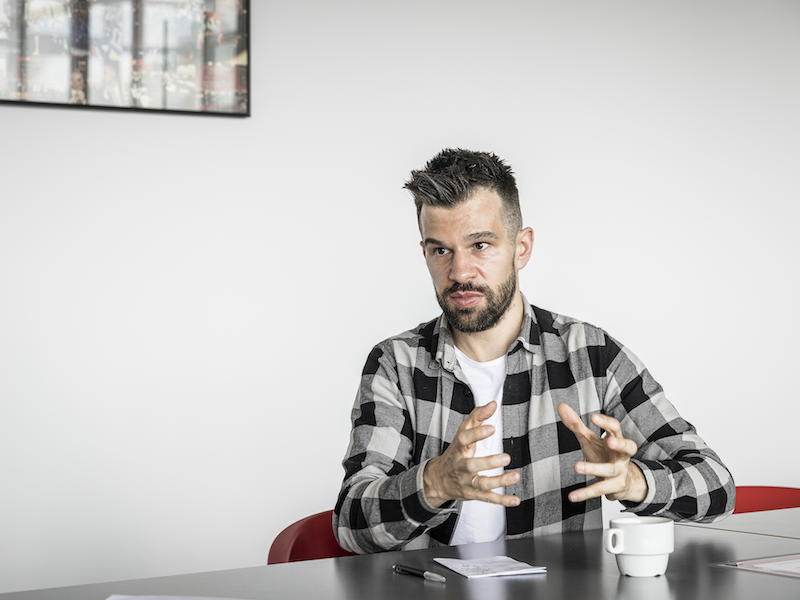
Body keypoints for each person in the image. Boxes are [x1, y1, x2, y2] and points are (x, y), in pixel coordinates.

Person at [334, 149, 735, 554]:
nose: (459, 273)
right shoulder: (396, 364)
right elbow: (351, 526)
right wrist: (434, 483)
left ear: (521, 247)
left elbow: (717, 486)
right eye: (442, 250)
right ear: (425, 253)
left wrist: (633, 480)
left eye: (480, 245)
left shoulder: (591, 355)